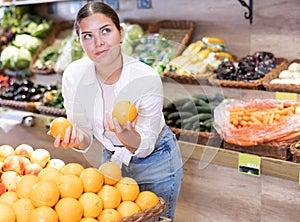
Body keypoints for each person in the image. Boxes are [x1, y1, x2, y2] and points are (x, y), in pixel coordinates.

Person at [49, 2, 183, 220]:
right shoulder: (74, 75)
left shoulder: (145, 78)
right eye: (88, 36)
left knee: (154, 218)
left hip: (156, 160)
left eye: (105, 31)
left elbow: (145, 146)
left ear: (120, 33)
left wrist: (124, 132)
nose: (98, 43)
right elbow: (83, 134)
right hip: (111, 157)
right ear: (80, 41)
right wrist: (75, 139)